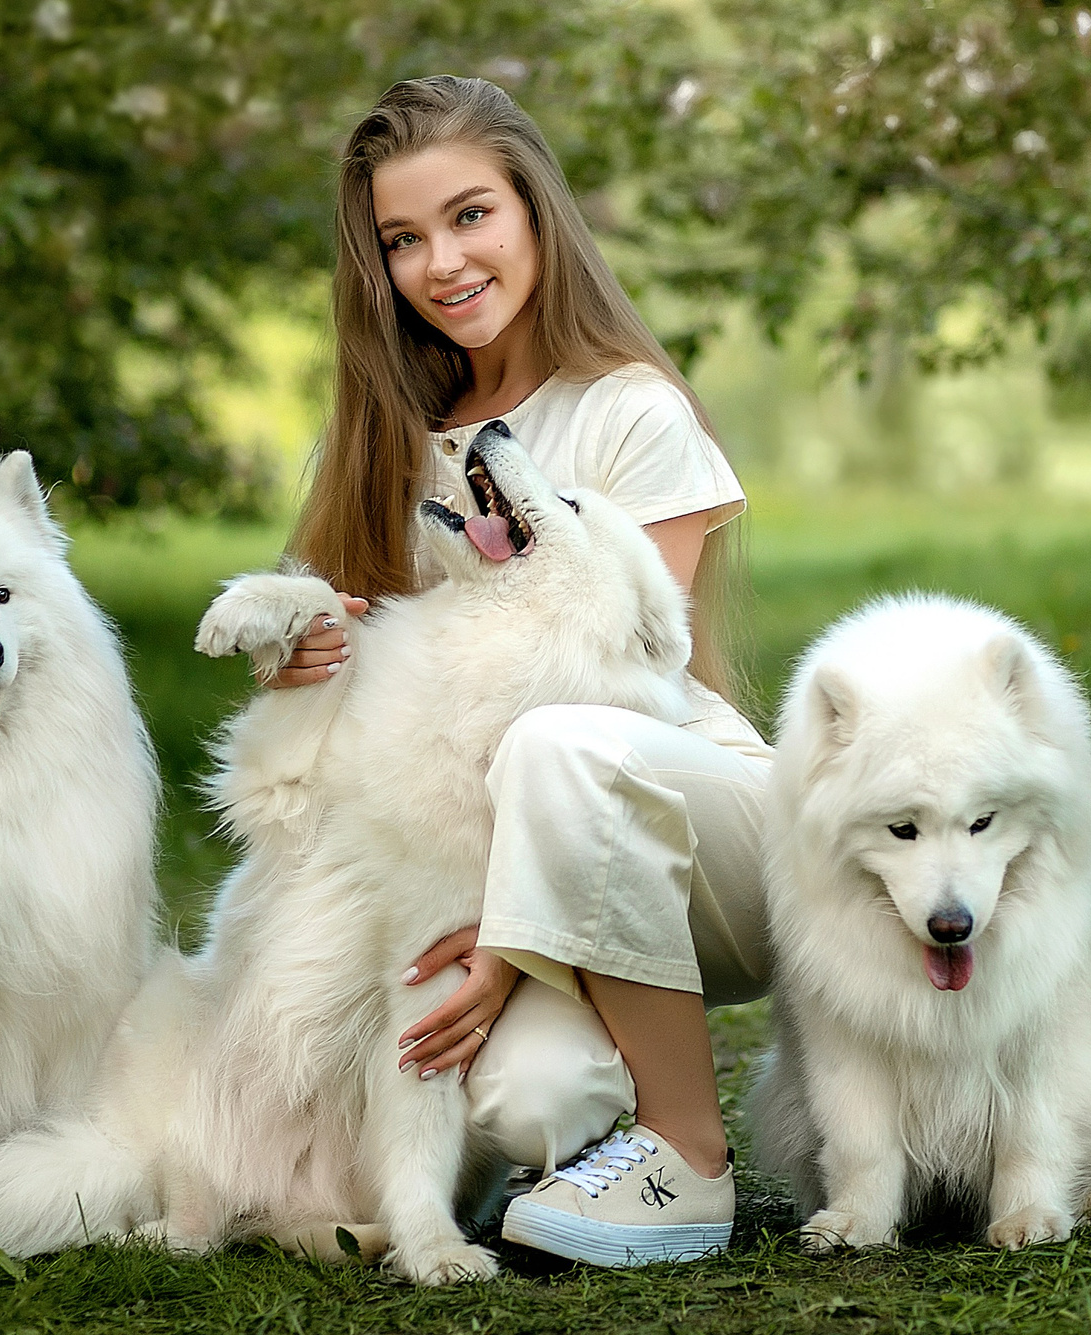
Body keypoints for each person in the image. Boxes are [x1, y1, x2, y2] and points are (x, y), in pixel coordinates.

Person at [264, 75, 768, 1266]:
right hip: (483, 861)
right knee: (524, 1104)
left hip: (692, 830)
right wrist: (305, 663)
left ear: (536, 211)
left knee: (561, 741)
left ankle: (692, 1159)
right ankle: (588, 1119)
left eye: (471, 215)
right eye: (403, 239)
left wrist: (512, 936)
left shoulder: (627, 412)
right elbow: (376, 715)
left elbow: (617, 683)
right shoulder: (380, 442)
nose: (442, 261)